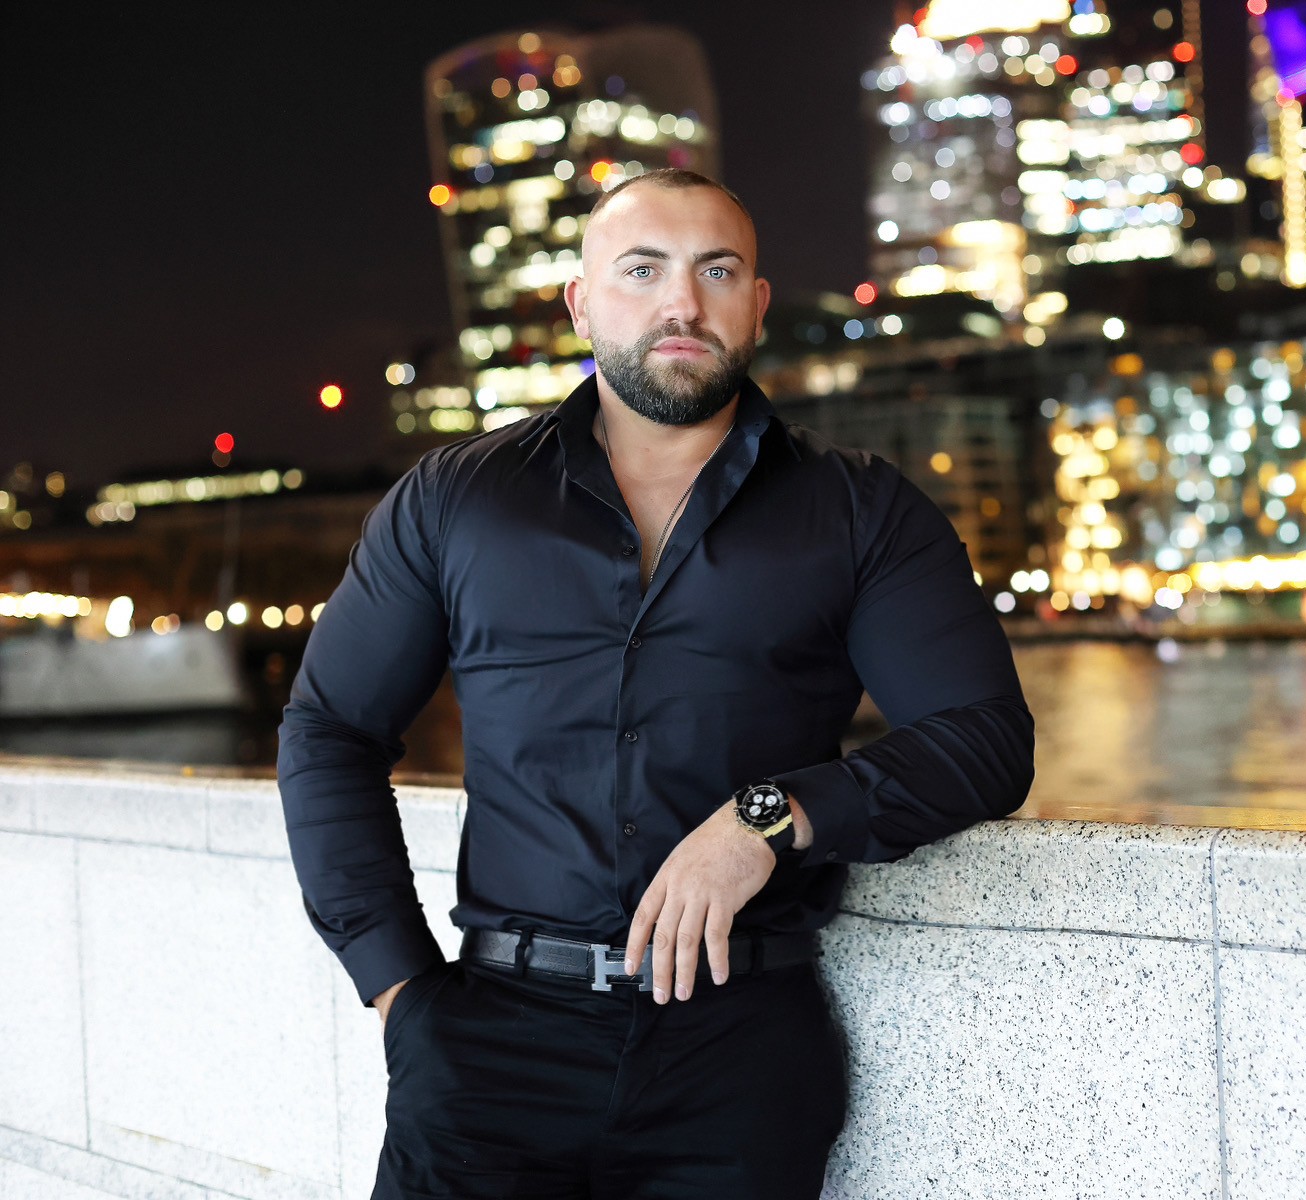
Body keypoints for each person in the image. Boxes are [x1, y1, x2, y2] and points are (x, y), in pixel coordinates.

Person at [277, 167, 1035, 1198]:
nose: (683, 302)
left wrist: (767, 818)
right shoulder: (454, 502)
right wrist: (401, 993)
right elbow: (329, 731)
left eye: (717, 270)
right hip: (486, 1057)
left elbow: (984, 738)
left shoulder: (859, 511)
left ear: (757, 305)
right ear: (583, 304)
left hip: (737, 1063)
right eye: (643, 270)